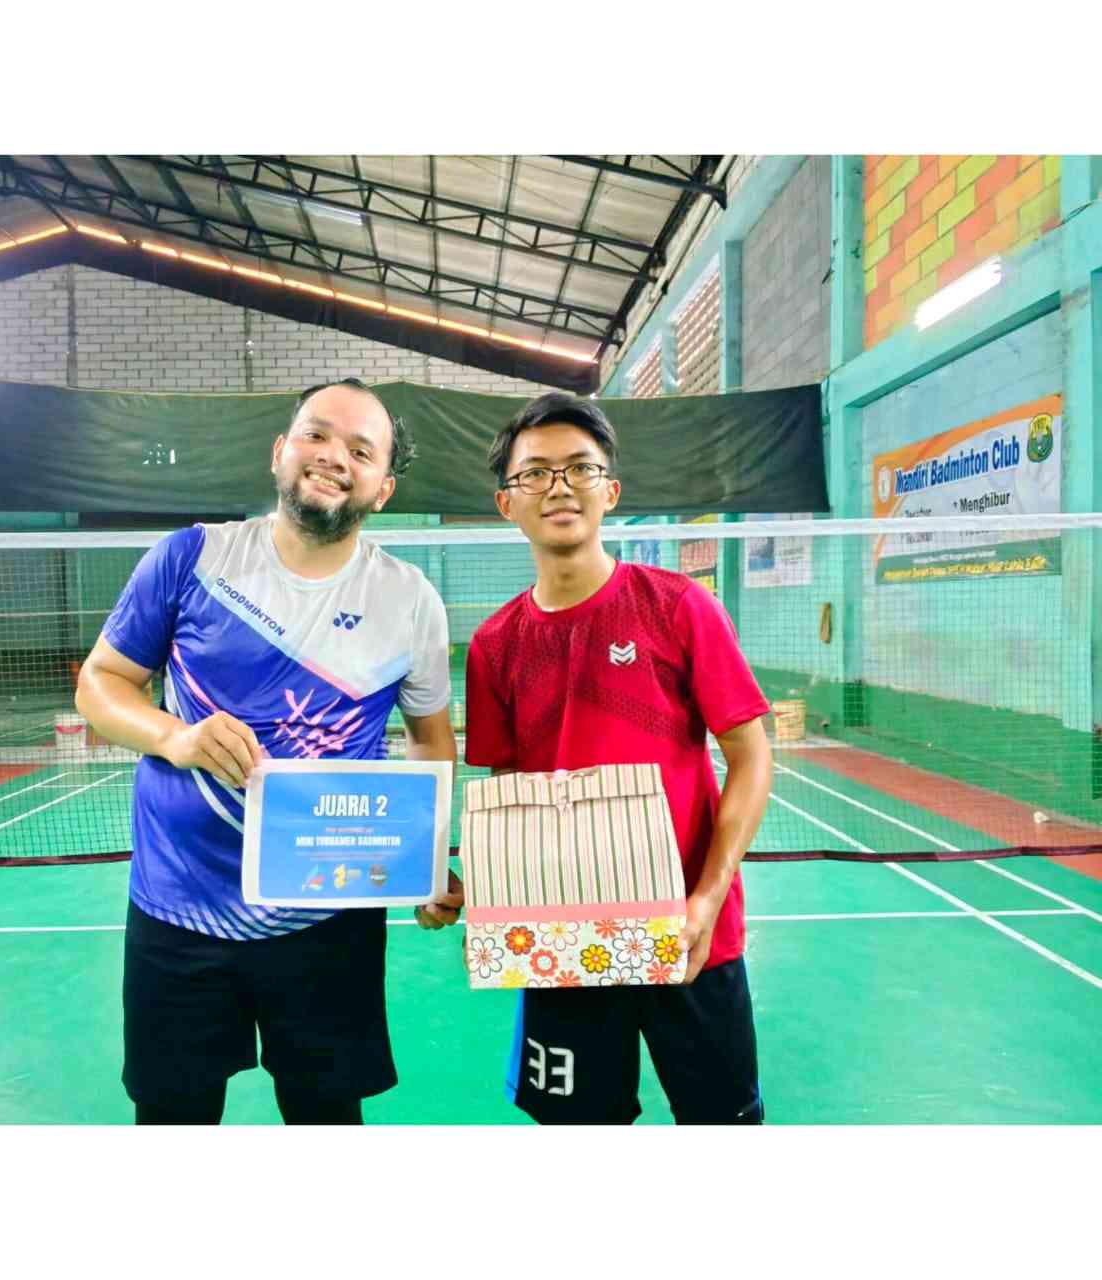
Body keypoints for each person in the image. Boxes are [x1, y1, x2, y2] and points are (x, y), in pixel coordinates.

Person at [76, 377, 463, 1126]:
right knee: (172, 1119)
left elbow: (429, 737)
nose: (334, 457)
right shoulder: (192, 558)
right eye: (317, 434)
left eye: (361, 450)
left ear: (383, 488)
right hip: (177, 906)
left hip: (328, 914)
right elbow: (101, 683)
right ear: (280, 451)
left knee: (326, 1117)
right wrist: (176, 736)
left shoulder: (409, 599)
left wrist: (425, 859)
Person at [464, 390, 773, 1125]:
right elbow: (510, 796)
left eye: (580, 468)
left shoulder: (678, 606)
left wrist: (707, 897)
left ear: (611, 491)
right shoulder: (494, 646)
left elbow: (751, 756)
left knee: (723, 1122)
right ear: (507, 502)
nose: (560, 486)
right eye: (535, 472)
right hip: (563, 941)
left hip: (690, 932)